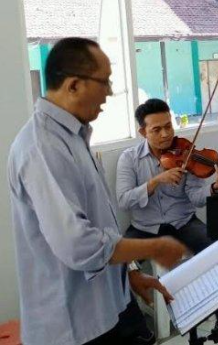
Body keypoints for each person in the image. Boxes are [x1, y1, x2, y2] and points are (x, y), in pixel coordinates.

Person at [7, 37, 188, 345]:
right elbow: (79, 245)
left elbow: (100, 220)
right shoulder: (42, 147)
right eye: (104, 82)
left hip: (104, 310)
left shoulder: (74, 137)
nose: (110, 92)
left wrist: (129, 272)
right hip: (72, 324)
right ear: (74, 85)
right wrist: (154, 248)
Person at [116, 99, 218, 342]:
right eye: (156, 130)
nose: (165, 134)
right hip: (145, 228)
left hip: (182, 222)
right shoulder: (129, 159)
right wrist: (155, 181)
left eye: (168, 126)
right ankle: (138, 332)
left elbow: (197, 198)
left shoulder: (186, 153)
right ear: (142, 132)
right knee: (116, 267)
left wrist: (216, 186)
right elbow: (124, 200)